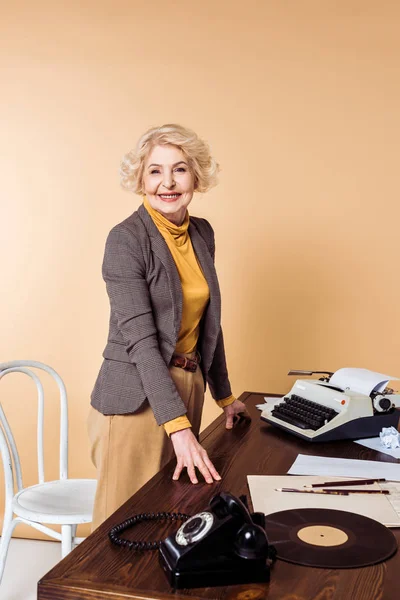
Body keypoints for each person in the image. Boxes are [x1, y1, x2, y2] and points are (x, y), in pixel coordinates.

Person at [87, 124, 246, 530]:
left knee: (172, 518)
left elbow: (209, 321)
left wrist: (225, 396)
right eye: (155, 171)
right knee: (121, 530)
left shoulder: (201, 233)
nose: (168, 183)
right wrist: (178, 428)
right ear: (141, 178)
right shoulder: (125, 239)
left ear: (196, 176)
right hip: (136, 400)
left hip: (187, 386)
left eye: (179, 169)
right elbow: (140, 341)